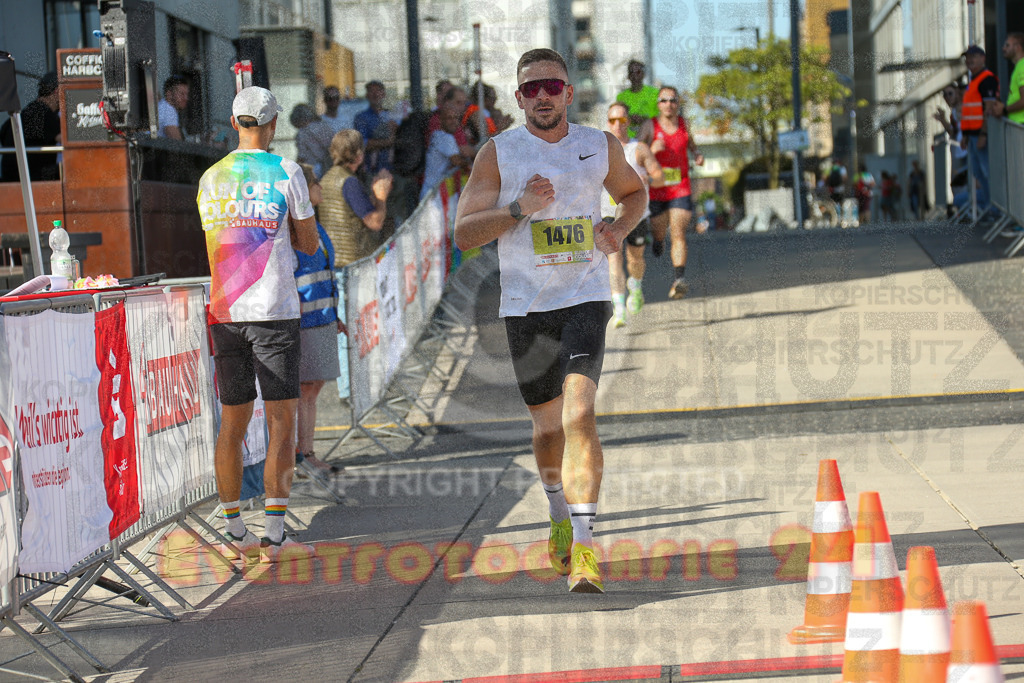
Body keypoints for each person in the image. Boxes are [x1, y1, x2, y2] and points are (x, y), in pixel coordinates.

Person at [453, 48, 647, 593]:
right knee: (545, 429)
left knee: (579, 416)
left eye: (552, 86)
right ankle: (558, 513)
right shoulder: (499, 154)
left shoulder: (598, 144)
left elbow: (634, 193)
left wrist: (619, 227)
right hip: (526, 309)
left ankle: (585, 546)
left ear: (568, 93)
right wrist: (518, 210)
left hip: (586, 297)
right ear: (518, 98)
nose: (542, 96)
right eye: (531, 88)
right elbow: (464, 235)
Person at [196, 86, 319, 562]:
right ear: (273, 126)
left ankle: (233, 530)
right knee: (281, 422)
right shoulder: (286, 170)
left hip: (225, 311)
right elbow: (308, 243)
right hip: (273, 309)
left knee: (233, 422)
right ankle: (275, 533)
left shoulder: (210, 176)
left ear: (233, 122)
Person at [293, 164, 345, 475]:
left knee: (313, 388)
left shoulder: (315, 225)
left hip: (322, 318)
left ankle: (308, 452)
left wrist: (335, 316)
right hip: (306, 321)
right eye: (317, 184)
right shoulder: (296, 227)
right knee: (305, 388)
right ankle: (303, 454)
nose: (321, 189)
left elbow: (325, 274)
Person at [638, 86, 704, 299]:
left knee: (678, 232)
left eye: (673, 100)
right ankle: (657, 240)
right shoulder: (650, 126)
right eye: (664, 100)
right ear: (658, 104)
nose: (668, 104)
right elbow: (635, 152)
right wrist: (652, 150)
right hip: (657, 188)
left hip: (680, 186)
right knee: (659, 231)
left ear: (677, 103)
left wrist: (697, 154)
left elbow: (692, 144)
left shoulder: (685, 124)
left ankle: (679, 279)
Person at [602, 102, 663, 328]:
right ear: (607, 123)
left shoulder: (638, 149)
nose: (617, 125)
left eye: (621, 120)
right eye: (612, 120)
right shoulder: (600, 150)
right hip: (609, 213)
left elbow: (660, 176)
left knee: (635, 259)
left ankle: (635, 286)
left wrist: (650, 179)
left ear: (628, 122)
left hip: (636, 213)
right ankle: (618, 309)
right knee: (613, 259)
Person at [319, 129, 393, 267]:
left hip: (334, 260)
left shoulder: (326, 179)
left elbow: (353, 211)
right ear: (359, 155)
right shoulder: (349, 182)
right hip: (354, 263)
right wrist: (382, 196)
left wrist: (373, 195)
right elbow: (375, 222)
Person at [0, 71, 61, 182]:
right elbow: (68, 140)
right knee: (71, 170)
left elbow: (3, 133)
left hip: (10, 177)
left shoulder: (28, 111)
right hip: (31, 177)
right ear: (57, 92)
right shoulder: (43, 112)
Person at [960, 45, 999, 209]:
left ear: (983, 58)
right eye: (967, 57)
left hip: (981, 135)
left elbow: (989, 108)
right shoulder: (974, 81)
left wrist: (983, 133)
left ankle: (996, 210)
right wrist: (966, 135)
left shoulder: (986, 79)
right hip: (973, 136)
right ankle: (992, 209)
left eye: (974, 56)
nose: (970, 60)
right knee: (979, 173)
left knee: (988, 173)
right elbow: (970, 110)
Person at [420, 98, 473, 201]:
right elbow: (457, 161)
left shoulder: (438, 135)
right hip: (433, 195)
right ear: (441, 120)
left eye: (456, 118)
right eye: (449, 118)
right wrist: (472, 163)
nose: (453, 121)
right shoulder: (445, 137)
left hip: (434, 192)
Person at [353, 80, 397, 178]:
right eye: (371, 91)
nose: (375, 94)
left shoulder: (392, 115)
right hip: (371, 172)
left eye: (378, 91)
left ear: (384, 94)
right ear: (367, 95)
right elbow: (362, 143)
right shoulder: (361, 118)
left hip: (392, 171)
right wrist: (387, 142)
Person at [616, 60, 659, 139]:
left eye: (638, 72)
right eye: (632, 72)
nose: (635, 76)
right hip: (629, 140)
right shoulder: (621, 97)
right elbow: (618, 119)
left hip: (650, 138)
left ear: (643, 74)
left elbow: (661, 117)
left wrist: (645, 119)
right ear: (628, 76)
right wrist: (629, 118)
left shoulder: (655, 93)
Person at [290, 103, 334, 180]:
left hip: (312, 168)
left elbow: (302, 156)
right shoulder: (324, 125)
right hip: (328, 166)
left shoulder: (303, 132)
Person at [993, 32, 1024, 124]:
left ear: (1018, 47)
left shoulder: (1022, 67)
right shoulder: (1019, 67)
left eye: (1007, 45)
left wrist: (1004, 109)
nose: (1003, 48)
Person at [157, 75, 189, 140]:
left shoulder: (162, 106)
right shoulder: (168, 110)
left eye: (187, 94)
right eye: (181, 94)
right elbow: (177, 143)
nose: (186, 98)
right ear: (169, 94)